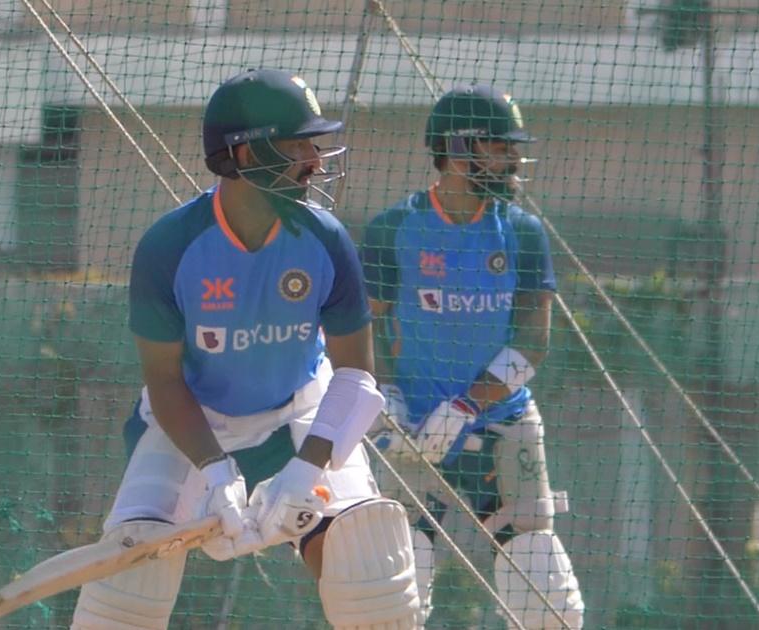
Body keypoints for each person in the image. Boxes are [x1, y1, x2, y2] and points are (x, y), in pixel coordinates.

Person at [70, 68, 424, 630]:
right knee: (125, 595)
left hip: (299, 411)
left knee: (369, 573)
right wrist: (216, 474)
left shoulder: (326, 239)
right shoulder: (169, 246)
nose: (315, 160)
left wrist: (305, 472)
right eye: (298, 145)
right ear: (244, 153)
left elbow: (356, 377)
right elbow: (164, 382)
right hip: (193, 422)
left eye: (315, 144)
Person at [360, 84, 584, 629]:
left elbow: (533, 340)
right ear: (459, 148)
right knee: (392, 596)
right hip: (411, 430)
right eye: (501, 147)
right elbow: (365, 328)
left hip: (502, 422)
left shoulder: (522, 232)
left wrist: (465, 406)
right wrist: (385, 398)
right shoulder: (393, 230)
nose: (514, 160)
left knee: (545, 597)